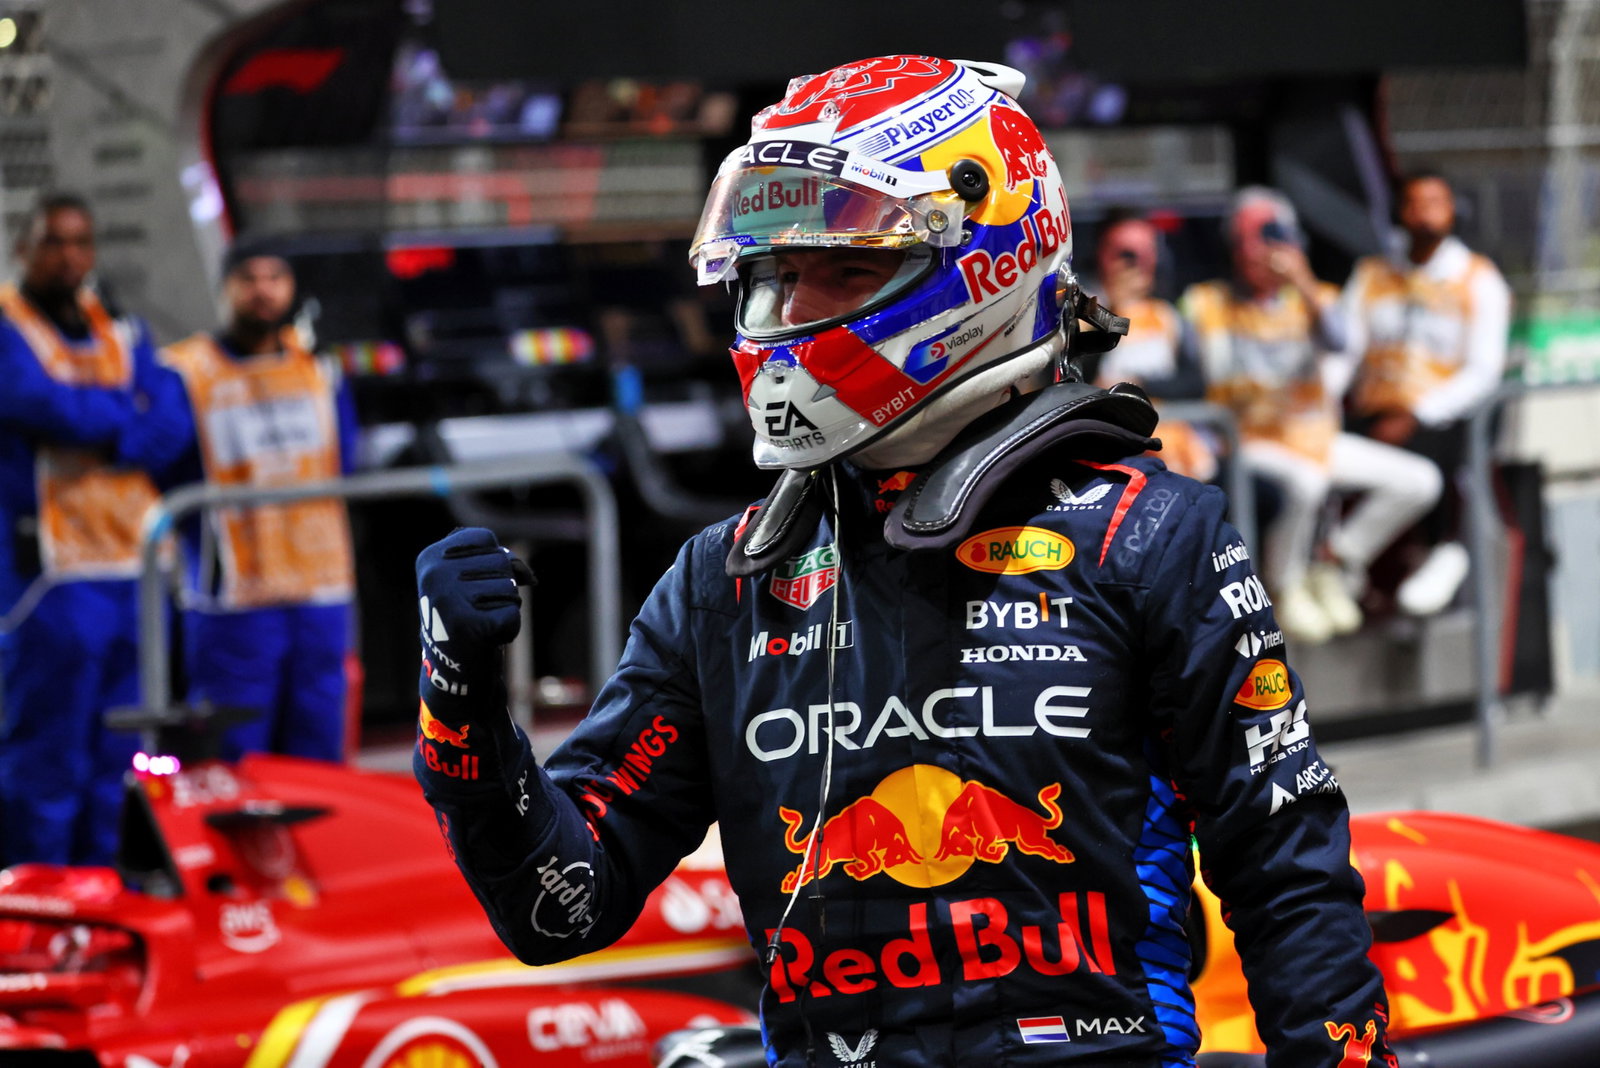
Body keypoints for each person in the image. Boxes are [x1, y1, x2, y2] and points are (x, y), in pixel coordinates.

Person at [413, 58, 1396, 1068]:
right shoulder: (724, 580)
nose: (791, 311)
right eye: (778, 275)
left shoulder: (1148, 538)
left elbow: (1285, 869)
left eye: (842, 269)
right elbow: (560, 912)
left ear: (982, 263)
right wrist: (464, 713)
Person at [0, 193, 190, 866]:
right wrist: (124, 420)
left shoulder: (121, 327)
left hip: (130, 568)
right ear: (23, 247)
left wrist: (120, 426)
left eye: (82, 242)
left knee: (124, 756)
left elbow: (169, 414)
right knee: (48, 754)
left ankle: (111, 896)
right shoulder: (8, 322)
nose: (71, 257)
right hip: (50, 576)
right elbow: (35, 403)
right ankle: (39, 910)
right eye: (55, 242)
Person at [1182, 187, 1441, 644]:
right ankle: (1284, 586)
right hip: (1251, 440)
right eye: (1254, 239)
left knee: (1420, 481)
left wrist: (1299, 282)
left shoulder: (1315, 296)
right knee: (1306, 483)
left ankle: (1334, 558)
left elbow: (1341, 341)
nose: (1265, 251)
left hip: (1314, 437)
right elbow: (1203, 369)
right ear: (1234, 247)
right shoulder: (1207, 301)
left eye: (1276, 236)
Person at [156, 243, 358, 762]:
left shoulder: (320, 369)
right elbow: (160, 461)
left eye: (276, 277)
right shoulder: (185, 371)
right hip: (235, 596)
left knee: (319, 755)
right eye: (249, 277)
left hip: (319, 591)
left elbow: (347, 460)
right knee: (235, 754)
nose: (263, 290)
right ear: (225, 287)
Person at [1343, 170, 1512, 616]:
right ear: (1401, 212)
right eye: (1415, 203)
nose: (1426, 213)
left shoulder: (1477, 279)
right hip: (1371, 410)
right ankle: (1341, 566)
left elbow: (1483, 371)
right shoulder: (1373, 275)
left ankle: (1440, 551)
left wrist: (1417, 413)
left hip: (1441, 418)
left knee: (1429, 464)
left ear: (1453, 208)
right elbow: (1344, 353)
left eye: (1436, 201)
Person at [1088, 209, 1216, 481]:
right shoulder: (1084, 308)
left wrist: (1139, 384)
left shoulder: (1166, 314)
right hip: (1109, 443)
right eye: (1127, 254)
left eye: (1147, 252)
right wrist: (1112, 309)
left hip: (1171, 440)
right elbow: (1078, 376)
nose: (1139, 264)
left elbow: (1195, 382)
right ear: (1103, 254)